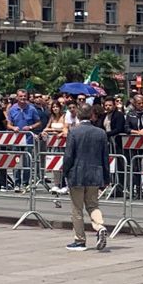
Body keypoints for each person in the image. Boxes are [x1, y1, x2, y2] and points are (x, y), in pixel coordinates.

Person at [58, 98, 112, 251]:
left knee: (77, 208)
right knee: (93, 204)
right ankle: (100, 227)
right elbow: (104, 157)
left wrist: (65, 171)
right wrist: (106, 178)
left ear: (78, 115)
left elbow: (69, 155)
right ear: (92, 115)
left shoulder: (74, 132)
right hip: (95, 173)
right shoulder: (101, 133)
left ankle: (80, 239)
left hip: (77, 173)